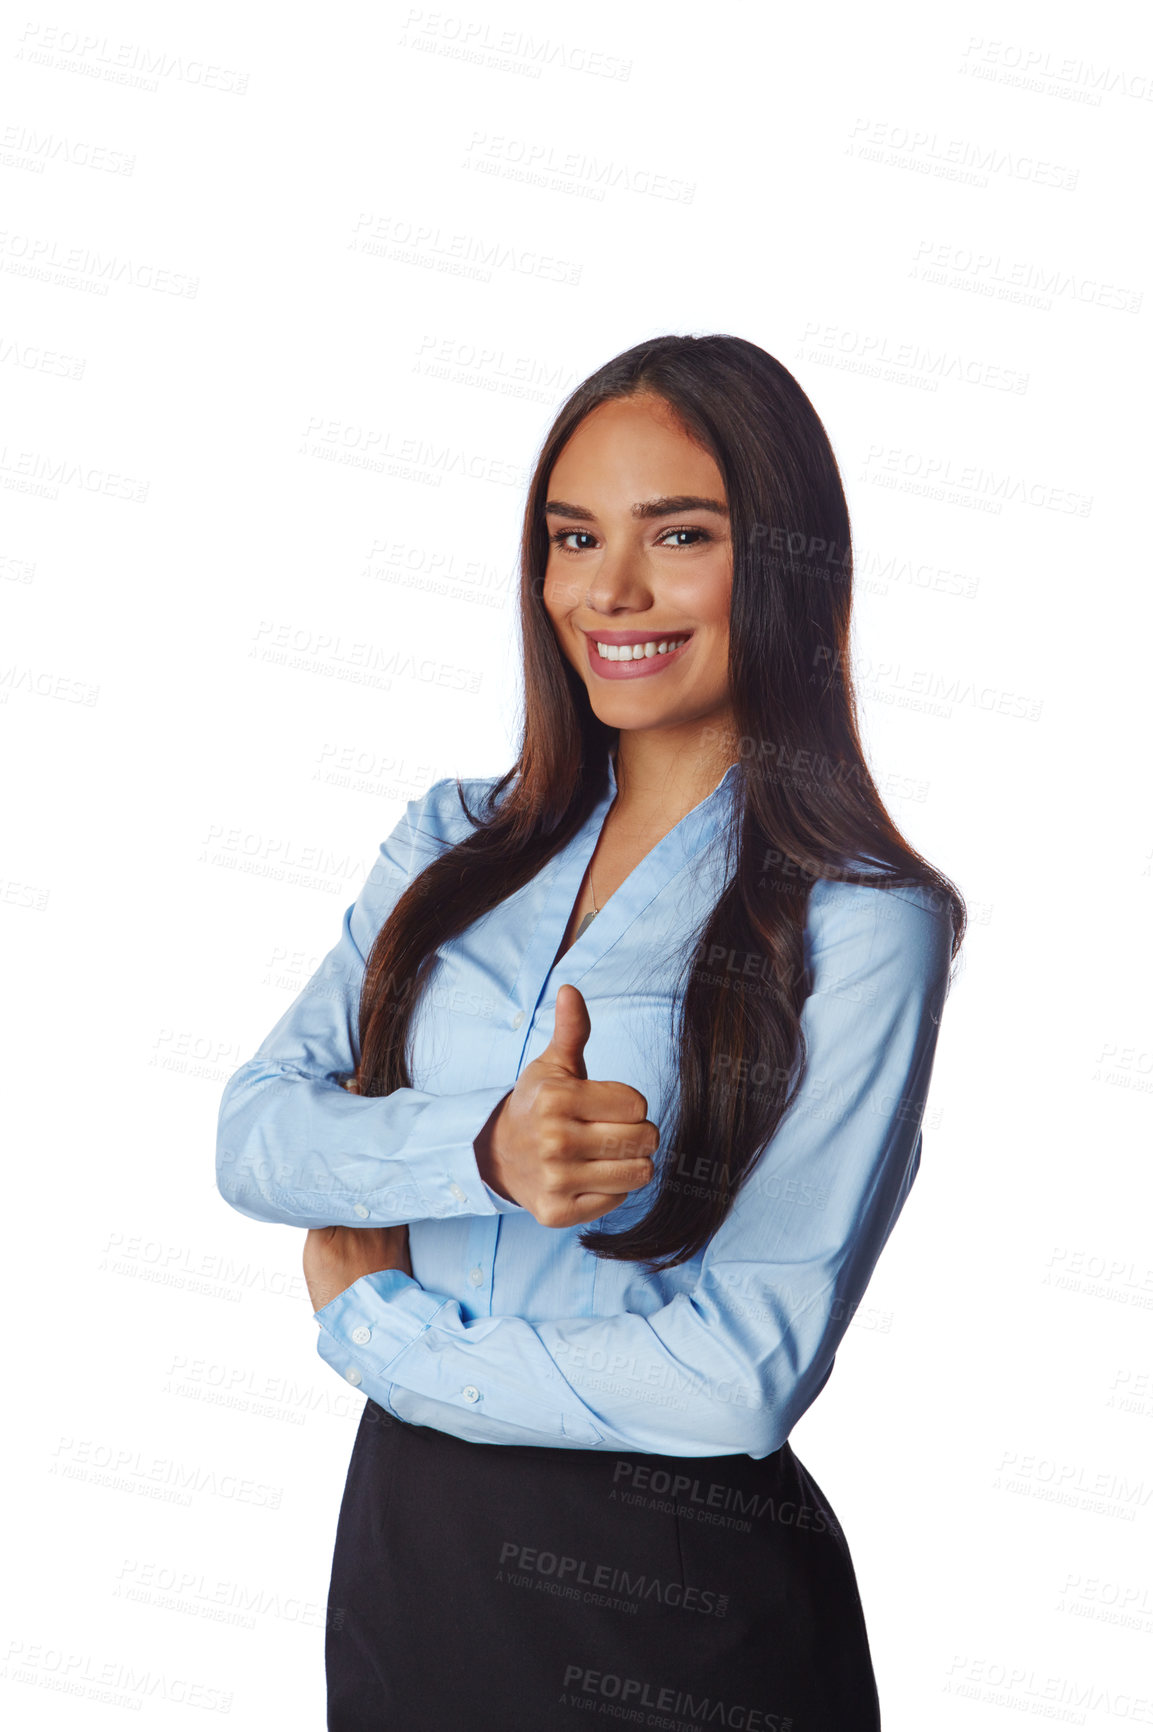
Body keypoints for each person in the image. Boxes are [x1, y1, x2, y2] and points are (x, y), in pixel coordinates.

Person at [216, 332, 965, 1731]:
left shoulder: (861, 922)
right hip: (408, 1559)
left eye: (676, 534)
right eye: (572, 538)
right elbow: (257, 1138)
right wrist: (484, 1155)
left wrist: (379, 1329)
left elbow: (740, 1375)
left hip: (680, 1599)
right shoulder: (449, 845)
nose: (608, 591)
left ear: (787, 563)